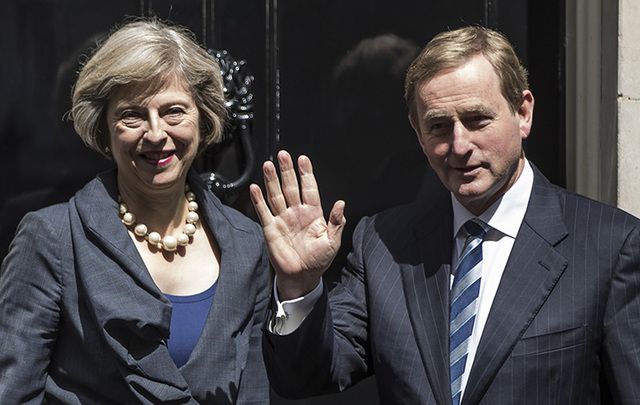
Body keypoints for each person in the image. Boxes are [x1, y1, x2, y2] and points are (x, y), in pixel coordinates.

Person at [250, 26, 640, 404]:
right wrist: (299, 286)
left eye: (476, 120)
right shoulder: (384, 244)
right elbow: (307, 376)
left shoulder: (608, 246)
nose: (459, 145)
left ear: (523, 113)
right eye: (438, 126)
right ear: (417, 133)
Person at [0, 19, 270, 404]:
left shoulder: (246, 243)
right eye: (132, 115)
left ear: (203, 117)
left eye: (174, 111)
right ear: (104, 129)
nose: (156, 133)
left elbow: (253, 393)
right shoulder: (52, 238)